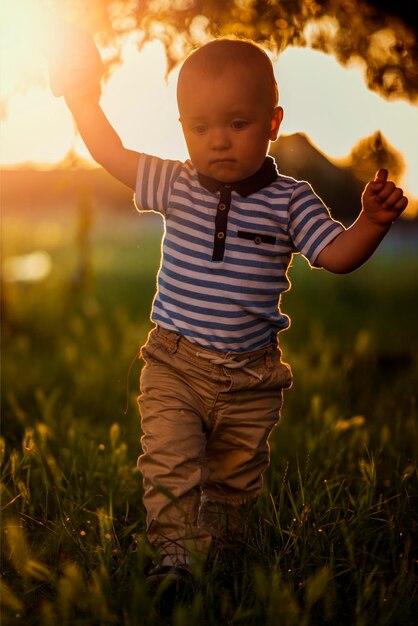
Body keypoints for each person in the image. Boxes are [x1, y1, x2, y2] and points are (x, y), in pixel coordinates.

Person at [48, 19, 408, 586]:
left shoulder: (291, 202)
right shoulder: (176, 183)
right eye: (200, 127)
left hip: (252, 380)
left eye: (237, 124)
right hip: (175, 365)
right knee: (170, 465)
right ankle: (173, 565)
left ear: (272, 123)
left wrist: (370, 221)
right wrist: (81, 97)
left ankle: (220, 563)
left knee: (233, 487)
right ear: (183, 129)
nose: (218, 139)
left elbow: (336, 255)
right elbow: (109, 152)